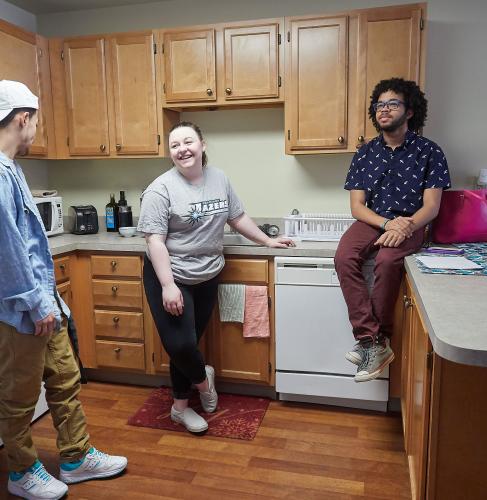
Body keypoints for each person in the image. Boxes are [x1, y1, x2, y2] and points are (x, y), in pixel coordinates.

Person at [0, 80, 127, 500]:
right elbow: (8, 249)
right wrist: (37, 303)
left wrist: (49, 300)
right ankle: (21, 472)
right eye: (35, 120)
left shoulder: (12, 167)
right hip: (19, 309)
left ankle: (75, 457)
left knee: (65, 378)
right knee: (18, 398)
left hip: (41, 302)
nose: (36, 129)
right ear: (23, 118)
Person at [138, 121, 294, 433]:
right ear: (170, 153)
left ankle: (180, 408)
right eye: (174, 145)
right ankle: (204, 383)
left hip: (208, 275)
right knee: (180, 345)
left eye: (188, 142)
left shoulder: (219, 178)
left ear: (202, 144)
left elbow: (236, 217)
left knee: (189, 343)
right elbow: (154, 240)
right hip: (172, 276)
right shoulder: (161, 189)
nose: (182, 149)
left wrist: (266, 241)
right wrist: (168, 286)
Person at [335, 77, 451, 383]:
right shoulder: (365, 153)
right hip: (373, 220)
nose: (384, 110)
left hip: (413, 222)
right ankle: (372, 341)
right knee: (344, 256)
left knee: (387, 261)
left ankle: (377, 341)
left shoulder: (430, 151)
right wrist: (388, 224)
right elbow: (357, 207)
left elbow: (432, 207)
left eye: (393, 103)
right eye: (380, 105)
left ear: (409, 111)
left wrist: (406, 226)